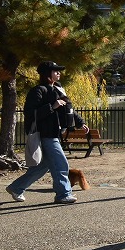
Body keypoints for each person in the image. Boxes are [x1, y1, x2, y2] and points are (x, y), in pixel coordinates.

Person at [7, 60, 85, 204]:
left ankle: (16, 188)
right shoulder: (38, 91)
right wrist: (52, 106)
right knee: (61, 164)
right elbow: (30, 113)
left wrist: (80, 122)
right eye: (55, 71)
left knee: (42, 167)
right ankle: (63, 194)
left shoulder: (58, 89)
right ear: (47, 74)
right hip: (45, 134)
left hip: (54, 133)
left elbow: (68, 108)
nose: (59, 73)